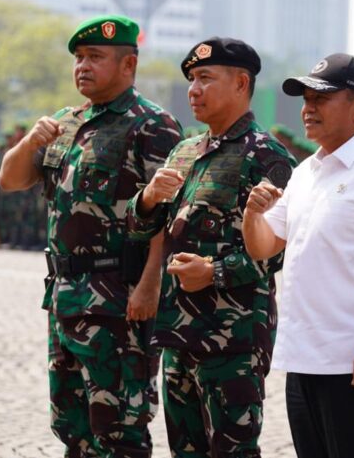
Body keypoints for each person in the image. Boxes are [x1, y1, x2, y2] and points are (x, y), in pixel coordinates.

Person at [0, 14, 183, 457]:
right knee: (71, 426)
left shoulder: (152, 125)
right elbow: (10, 179)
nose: (82, 65)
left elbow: (169, 215)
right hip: (64, 295)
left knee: (119, 429)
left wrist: (151, 285)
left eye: (95, 57)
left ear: (128, 65)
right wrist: (28, 143)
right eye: (79, 58)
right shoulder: (66, 122)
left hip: (118, 300)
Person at [242, 53, 354, 458]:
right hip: (303, 358)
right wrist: (252, 215)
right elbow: (265, 245)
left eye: (321, 98)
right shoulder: (306, 172)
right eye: (305, 99)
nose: (308, 108)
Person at [126, 37, 296, 457]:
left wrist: (214, 272)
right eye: (191, 80)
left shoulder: (266, 156)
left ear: (241, 84)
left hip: (232, 337)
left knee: (233, 451)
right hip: (178, 331)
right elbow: (142, 228)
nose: (193, 89)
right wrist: (147, 199)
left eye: (205, 78)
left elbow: (280, 249)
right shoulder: (185, 150)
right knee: (185, 450)